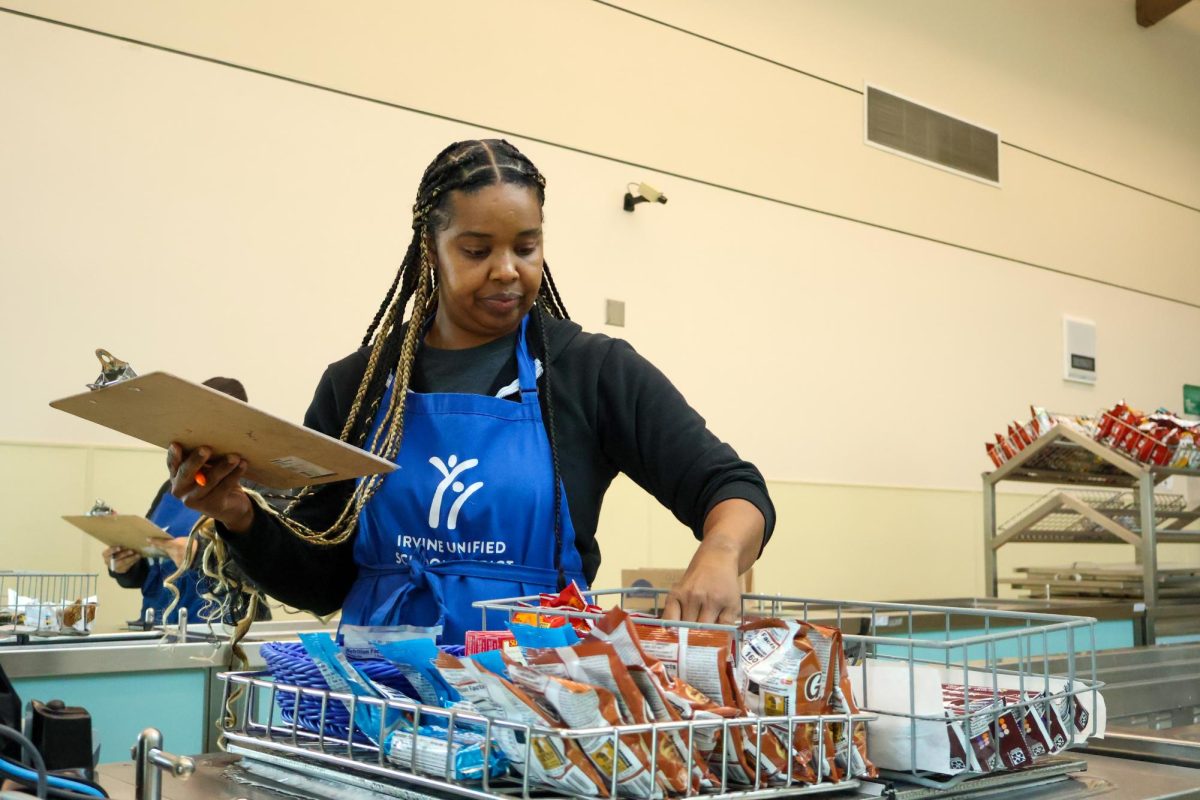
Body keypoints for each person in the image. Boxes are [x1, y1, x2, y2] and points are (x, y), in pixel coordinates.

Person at [167, 140, 775, 644]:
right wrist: (237, 514)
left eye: (526, 247)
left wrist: (720, 554)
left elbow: (734, 488)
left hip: (542, 711)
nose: (507, 269)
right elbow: (322, 578)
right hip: (384, 710)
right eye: (478, 251)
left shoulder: (591, 372)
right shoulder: (359, 386)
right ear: (431, 251)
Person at [104, 377, 269, 625]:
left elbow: (271, 571)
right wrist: (126, 566)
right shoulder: (172, 487)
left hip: (227, 632)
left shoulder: (257, 487)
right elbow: (151, 570)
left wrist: (201, 556)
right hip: (159, 627)